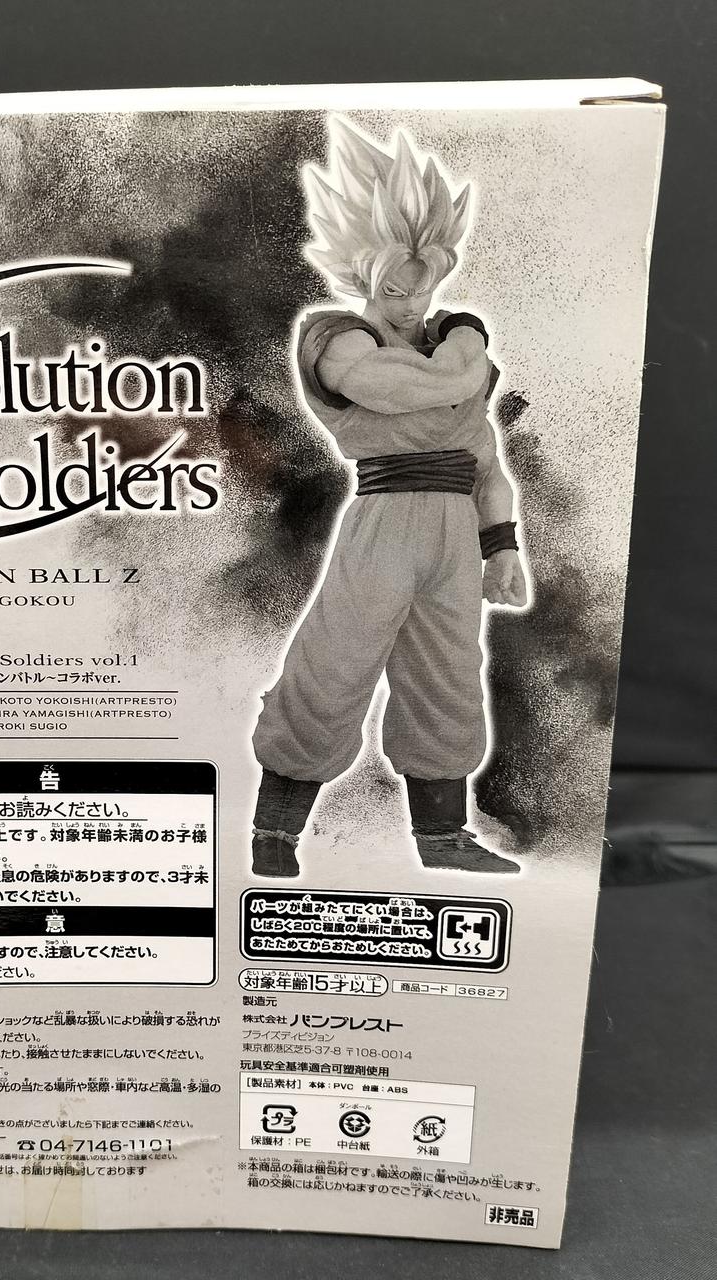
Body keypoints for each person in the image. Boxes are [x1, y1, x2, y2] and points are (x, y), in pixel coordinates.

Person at [251, 117, 529, 878]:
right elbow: (403, 389)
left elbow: (485, 461)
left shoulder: (450, 348)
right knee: (334, 664)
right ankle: (275, 830)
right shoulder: (334, 336)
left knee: (448, 674)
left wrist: (502, 547)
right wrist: (467, 345)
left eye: (424, 287)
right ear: (362, 276)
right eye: (394, 288)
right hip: (383, 520)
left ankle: (443, 836)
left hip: (454, 528)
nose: (410, 303)